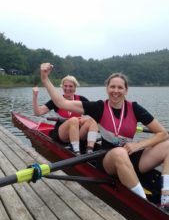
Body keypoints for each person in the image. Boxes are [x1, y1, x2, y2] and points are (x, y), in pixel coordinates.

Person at [40, 63, 169, 210]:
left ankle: (166, 198)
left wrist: (139, 145)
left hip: (131, 153)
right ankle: (146, 205)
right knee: (119, 152)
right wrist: (45, 79)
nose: (116, 91)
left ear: (126, 90)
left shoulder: (135, 108)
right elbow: (61, 102)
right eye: (112, 87)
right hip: (108, 159)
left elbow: (162, 133)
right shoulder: (98, 107)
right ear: (107, 89)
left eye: (120, 87)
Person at [32, 75, 98, 155]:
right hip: (61, 135)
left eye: (70, 86)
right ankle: (76, 152)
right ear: (62, 86)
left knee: (92, 120)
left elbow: (96, 113)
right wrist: (35, 96)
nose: (67, 88)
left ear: (75, 88)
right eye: (65, 86)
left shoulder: (81, 99)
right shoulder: (56, 100)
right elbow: (38, 112)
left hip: (78, 133)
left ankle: (90, 150)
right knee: (73, 120)